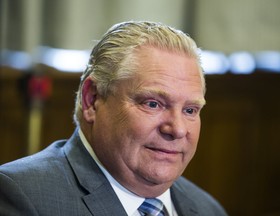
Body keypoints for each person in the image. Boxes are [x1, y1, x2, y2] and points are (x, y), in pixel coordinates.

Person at [0, 21, 227, 216]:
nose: (177, 129)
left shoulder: (207, 209)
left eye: (190, 110)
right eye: (153, 104)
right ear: (93, 99)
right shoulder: (24, 197)